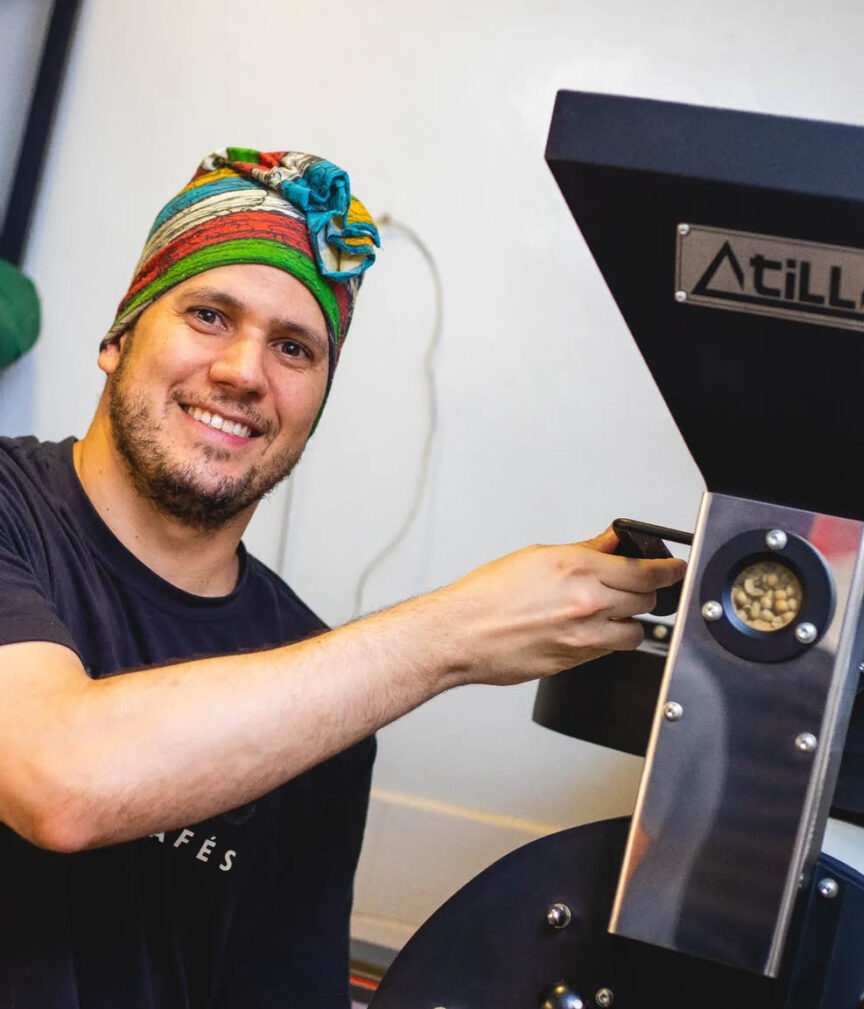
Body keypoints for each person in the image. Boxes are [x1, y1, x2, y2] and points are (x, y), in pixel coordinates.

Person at [0, 148, 685, 1008]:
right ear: (118, 336)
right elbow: (58, 780)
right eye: (210, 314)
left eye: (294, 347)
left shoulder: (327, 693)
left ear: (316, 404)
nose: (245, 373)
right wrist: (455, 634)